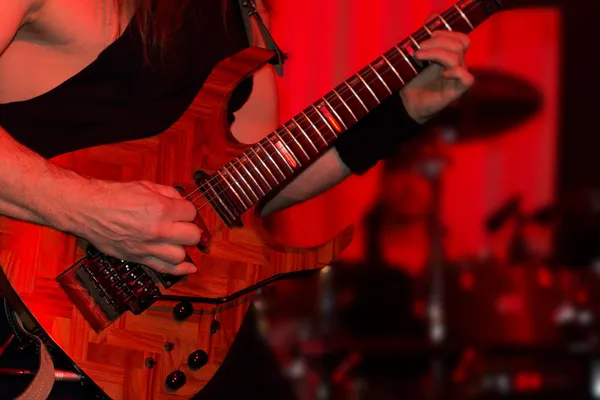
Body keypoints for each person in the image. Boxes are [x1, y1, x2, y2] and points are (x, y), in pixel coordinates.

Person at [0, 0, 474, 398]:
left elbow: (242, 193)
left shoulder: (242, 13)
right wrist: (90, 208)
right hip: (21, 317)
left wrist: (399, 115)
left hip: (158, 330)